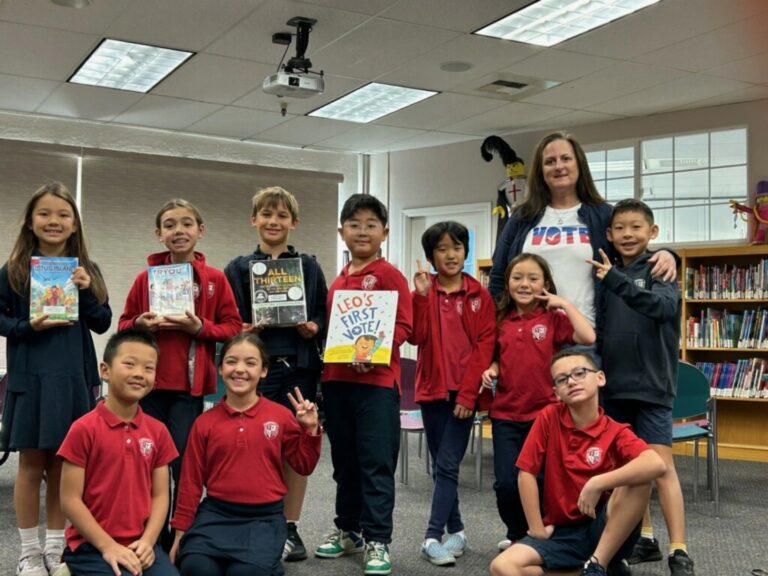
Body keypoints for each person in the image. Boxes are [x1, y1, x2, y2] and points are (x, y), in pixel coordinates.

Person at [0, 182, 112, 576]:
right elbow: (2, 321)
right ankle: (28, 551)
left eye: (63, 214)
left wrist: (85, 292)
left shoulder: (87, 270)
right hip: (30, 377)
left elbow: (103, 323)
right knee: (31, 463)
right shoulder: (13, 270)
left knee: (64, 466)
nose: (54, 221)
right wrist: (26, 325)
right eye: (45, 213)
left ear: (75, 224)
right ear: (30, 222)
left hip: (72, 379)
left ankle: (55, 546)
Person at [118, 199, 242, 547]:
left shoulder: (215, 280)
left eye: (187, 224)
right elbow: (124, 323)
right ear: (159, 235)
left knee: (182, 467)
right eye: (170, 225)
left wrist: (200, 327)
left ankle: (180, 537)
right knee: (145, 463)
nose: (179, 231)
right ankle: (146, 535)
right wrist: (140, 324)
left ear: (200, 231)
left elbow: (233, 328)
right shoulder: (146, 280)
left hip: (188, 390)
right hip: (148, 387)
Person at [489, 350, 666, 576]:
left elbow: (656, 464)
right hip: (562, 532)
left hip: (607, 530)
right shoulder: (549, 417)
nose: (572, 381)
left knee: (639, 479)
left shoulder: (616, 430)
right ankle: (598, 571)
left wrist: (597, 483)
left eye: (579, 373)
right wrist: (536, 528)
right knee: (502, 566)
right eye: (562, 380)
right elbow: (526, 473)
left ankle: (597, 564)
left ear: (600, 378)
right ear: (556, 393)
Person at [588, 199, 693, 576]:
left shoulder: (659, 268)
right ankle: (642, 538)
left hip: (651, 386)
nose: (627, 234)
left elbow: (662, 309)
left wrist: (616, 280)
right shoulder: (606, 272)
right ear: (609, 234)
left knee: (660, 467)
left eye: (636, 227)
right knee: (627, 468)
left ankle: (679, 550)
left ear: (653, 233)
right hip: (614, 388)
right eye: (620, 228)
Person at [224, 186, 328, 562]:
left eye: (282, 215)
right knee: (251, 446)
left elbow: (322, 312)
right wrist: (244, 328)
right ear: (254, 220)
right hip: (254, 373)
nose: (274, 221)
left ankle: (289, 526)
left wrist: (314, 327)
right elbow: (227, 321)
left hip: (299, 368)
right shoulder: (237, 269)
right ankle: (255, 519)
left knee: (295, 448)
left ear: (294, 223)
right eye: (267, 214)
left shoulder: (310, 267)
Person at [488, 131, 676, 332]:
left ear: (579, 165)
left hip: (586, 334)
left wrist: (668, 254)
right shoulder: (521, 218)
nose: (559, 166)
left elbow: (632, 252)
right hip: (527, 335)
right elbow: (499, 275)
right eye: (550, 161)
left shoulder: (603, 215)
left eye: (566, 159)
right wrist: (500, 327)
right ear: (540, 171)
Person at [314, 194, 412, 576]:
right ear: (342, 232)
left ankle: (378, 539)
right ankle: (348, 529)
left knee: (375, 463)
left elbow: (404, 325)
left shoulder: (389, 276)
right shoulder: (339, 278)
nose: (363, 231)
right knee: (345, 463)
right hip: (337, 383)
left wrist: (375, 351)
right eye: (354, 224)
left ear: (385, 232)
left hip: (376, 385)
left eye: (372, 224)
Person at [169, 333, 322, 576]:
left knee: (246, 573)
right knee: (196, 567)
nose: (239, 369)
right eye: (231, 362)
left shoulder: (280, 416)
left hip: (264, 519)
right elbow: (191, 482)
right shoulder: (205, 422)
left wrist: (310, 429)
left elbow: (304, 466)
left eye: (250, 363)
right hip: (215, 515)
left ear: (263, 371)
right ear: (220, 369)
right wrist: (180, 532)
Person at [481, 253, 596, 551]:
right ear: (507, 283)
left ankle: (545, 533)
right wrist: (492, 370)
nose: (524, 284)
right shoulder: (501, 319)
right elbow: (495, 356)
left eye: (533, 278)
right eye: (517, 277)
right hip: (506, 415)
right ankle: (519, 534)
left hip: (545, 416)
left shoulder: (553, 319)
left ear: (545, 284)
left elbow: (587, 335)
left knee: (544, 480)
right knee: (507, 483)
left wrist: (566, 304)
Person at [409, 221, 496, 566]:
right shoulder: (423, 290)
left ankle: (432, 536)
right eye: (442, 248)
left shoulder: (479, 295)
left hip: (464, 394)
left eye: (457, 247)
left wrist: (468, 395)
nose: (450, 254)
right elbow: (415, 337)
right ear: (431, 256)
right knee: (441, 466)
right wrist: (418, 298)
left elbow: (485, 345)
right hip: (431, 390)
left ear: (466, 252)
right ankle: (457, 529)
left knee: (447, 465)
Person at [58, 329, 178, 576]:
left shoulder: (159, 432)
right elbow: (69, 499)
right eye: (129, 364)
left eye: (148, 368)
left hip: (140, 544)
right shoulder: (83, 429)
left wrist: (148, 541)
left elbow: (161, 496)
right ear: (105, 370)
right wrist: (108, 546)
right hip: (91, 546)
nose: (139, 374)